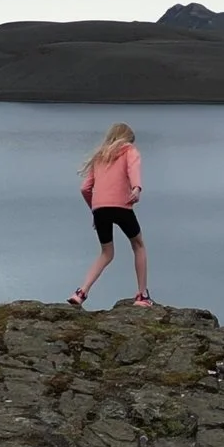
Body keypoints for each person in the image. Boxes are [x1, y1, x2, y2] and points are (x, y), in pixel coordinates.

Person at [69, 121, 150, 308]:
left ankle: (81, 292)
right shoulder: (130, 151)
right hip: (122, 206)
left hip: (100, 209)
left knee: (106, 253)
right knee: (138, 245)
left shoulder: (100, 156)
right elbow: (133, 169)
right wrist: (136, 188)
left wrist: (95, 210)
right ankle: (142, 295)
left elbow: (85, 188)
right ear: (127, 138)